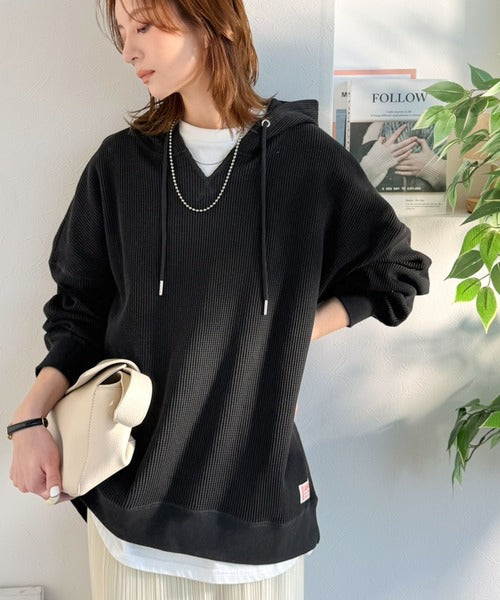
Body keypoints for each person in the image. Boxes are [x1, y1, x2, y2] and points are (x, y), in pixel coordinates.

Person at [7, 1, 431, 598]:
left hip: (257, 524)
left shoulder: (304, 159)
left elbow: (396, 271)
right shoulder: (120, 167)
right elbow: (79, 311)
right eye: (122, 32)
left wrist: (291, 332)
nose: (128, 50)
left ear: (212, 24)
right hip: (130, 521)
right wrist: (29, 419)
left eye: (144, 26)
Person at [357, 121, 446, 192]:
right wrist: (370, 167)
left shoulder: (446, 126)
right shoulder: (375, 129)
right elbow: (354, 194)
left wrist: (434, 170)